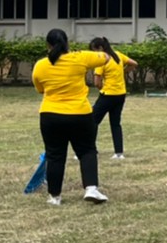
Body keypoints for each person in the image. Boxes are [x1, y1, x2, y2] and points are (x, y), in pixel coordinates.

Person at [31, 29, 112, 206]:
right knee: (87, 150)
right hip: (80, 114)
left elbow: (40, 89)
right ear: (67, 43)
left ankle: (55, 196)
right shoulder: (80, 58)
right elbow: (105, 57)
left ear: (48, 45)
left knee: (55, 155)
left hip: (50, 114)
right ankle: (91, 188)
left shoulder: (41, 65)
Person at [88, 36, 138, 160]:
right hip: (120, 94)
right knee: (115, 124)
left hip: (108, 95)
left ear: (100, 48)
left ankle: (89, 150)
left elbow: (97, 82)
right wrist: (124, 71)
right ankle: (119, 153)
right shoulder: (118, 55)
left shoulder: (101, 60)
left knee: (92, 121)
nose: (94, 54)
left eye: (94, 50)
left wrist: (101, 88)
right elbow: (134, 63)